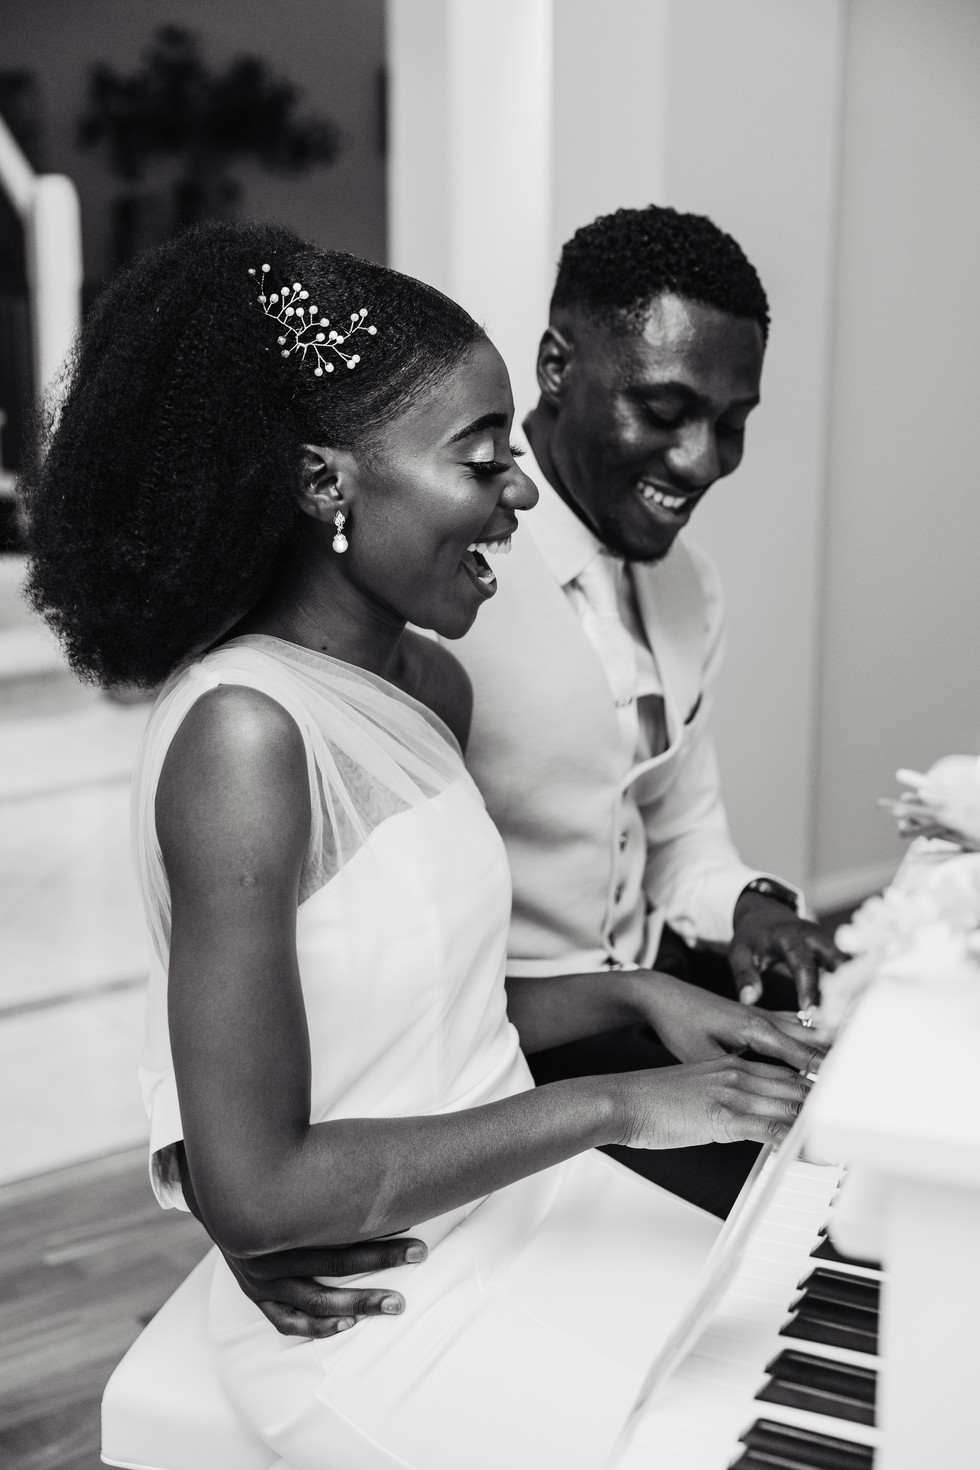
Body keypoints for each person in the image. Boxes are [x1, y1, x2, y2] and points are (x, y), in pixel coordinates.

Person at [24, 220, 822, 1469]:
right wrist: (618, 1103)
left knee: (793, 1360)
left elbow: (419, 1010)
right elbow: (260, 1184)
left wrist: (635, 992)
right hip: (381, 1298)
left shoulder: (428, 687)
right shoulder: (245, 735)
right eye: (479, 459)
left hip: (516, 1203)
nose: (518, 494)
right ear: (325, 481)